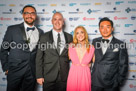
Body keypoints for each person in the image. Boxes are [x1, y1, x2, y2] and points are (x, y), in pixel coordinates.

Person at [0, 5, 43, 91]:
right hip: (15, 70)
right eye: (26, 13)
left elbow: (39, 53)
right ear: (23, 15)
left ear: (35, 15)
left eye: (32, 13)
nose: (29, 15)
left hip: (31, 72)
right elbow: (3, 49)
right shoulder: (12, 29)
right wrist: (6, 67)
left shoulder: (40, 32)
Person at [36, 12, 73, 91]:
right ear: (51, 21)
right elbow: (39, 57)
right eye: (55, 19)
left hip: (64, 77)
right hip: (48, 76)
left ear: (63, 22)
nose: (57, 22)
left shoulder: (69, 37)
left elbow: (74, 54)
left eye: (60, 19)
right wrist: (39, 75)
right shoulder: (44, 37)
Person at [91, 17, 128, 91]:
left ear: (112, 28)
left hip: (112, 83)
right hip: (96, 81)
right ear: (99, 29)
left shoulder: (120, 44)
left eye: (108, 27)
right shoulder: (95, 41)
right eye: (102, 27)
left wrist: (118, 81)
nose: (105, 30)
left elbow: (123, 64)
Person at [67, 26, 95, 91]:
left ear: (85, 34)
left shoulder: (91, 47)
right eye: (77, 33)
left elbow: (96, 62)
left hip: (85, 75)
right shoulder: (71, 46)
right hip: (73, 74)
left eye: (82, 32)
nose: (80, 35)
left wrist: (90, 63)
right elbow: (65, 59)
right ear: (75, 35)